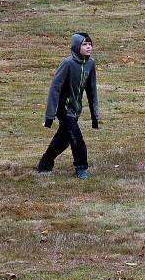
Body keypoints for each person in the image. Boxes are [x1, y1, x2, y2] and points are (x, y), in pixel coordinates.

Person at [37, 33, 99, 178]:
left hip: (75, 109)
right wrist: (50, 115)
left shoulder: (90, 64)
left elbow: (91, 90)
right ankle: (81, 167)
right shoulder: (68, 63)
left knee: (63, 139)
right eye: (84, 44)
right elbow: (54, 89)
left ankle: (45, 163)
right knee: (77, 138)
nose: (88, 46)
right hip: (63, 109)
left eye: (90, 44)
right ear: (76, 47)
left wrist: (94, 116)